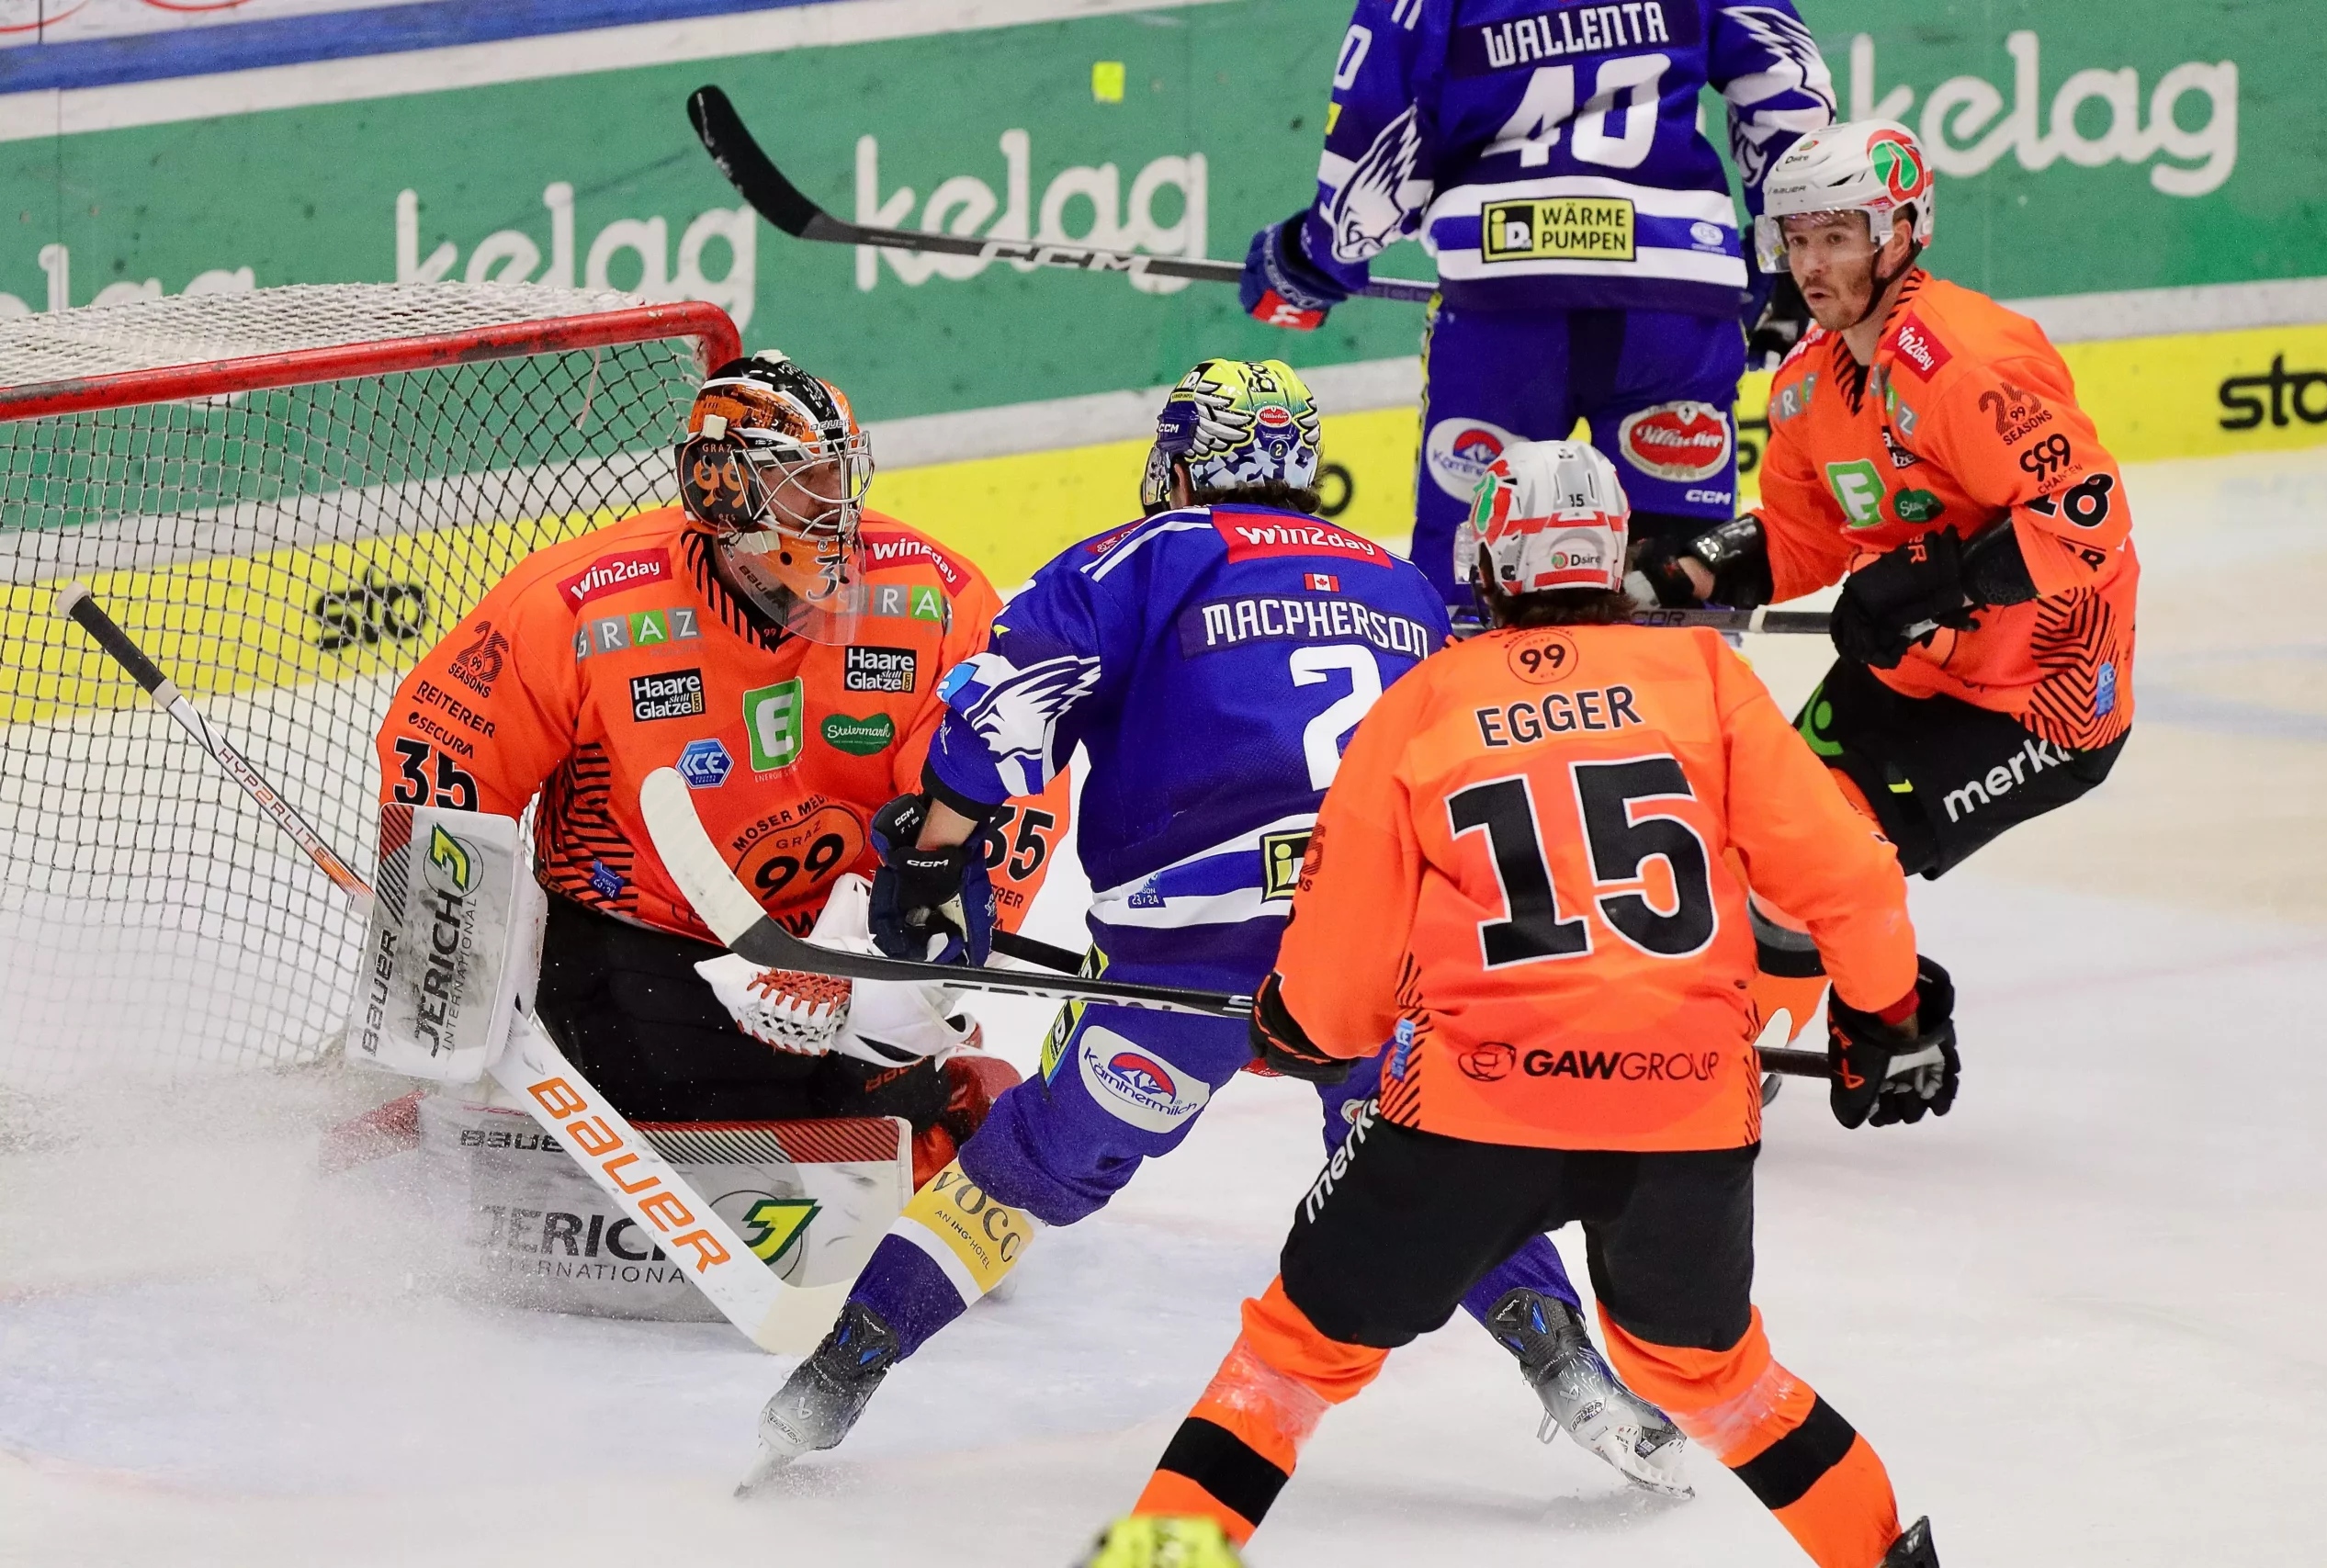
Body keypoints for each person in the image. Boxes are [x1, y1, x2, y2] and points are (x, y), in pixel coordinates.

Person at [741, 365, 1689, 1495]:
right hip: (1385, 940)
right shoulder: (1402, 582)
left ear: (1186, 457)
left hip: (1191, 939)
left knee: (1041, 1159)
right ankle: (1576, 1379)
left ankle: (839, 1373)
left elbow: (1002, 717)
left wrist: (936, 853)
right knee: (1434, 1162)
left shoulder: (1136, 556)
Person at [1094, 436, 1956, 1568]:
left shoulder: (1424, 703)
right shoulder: (1703, 677)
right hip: (1686, 1113)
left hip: (1471, 1115)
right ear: (1610, 558)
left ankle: (1159, 1563)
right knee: (1711, 1374)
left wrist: (1298, 1026)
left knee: (1294, 1357)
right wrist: (1887, 1019)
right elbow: (1847, 883)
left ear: (1491, 561)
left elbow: (1340, 982)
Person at [373, 351, 1060, 1176]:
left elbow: (1016, 773)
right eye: (805, 483)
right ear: (725, 490)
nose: (837, 511)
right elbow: (445, 746)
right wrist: (461, 930)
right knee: (713, 1130)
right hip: (644, 942)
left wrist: (909, 952)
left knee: (874, 1127)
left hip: (842, 937)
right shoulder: (588, 603)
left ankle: (892, 1078)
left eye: (842, 478)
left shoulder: (931, 595)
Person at [1627, 119, 2135, 1045]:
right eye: (1799, 239)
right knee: (1748, 834)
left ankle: (1785, 1052)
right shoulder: (1808, 384)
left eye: (1838, 237)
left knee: (1807, 872)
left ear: (1899, 234)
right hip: (1906, 666)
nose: (1813, 264)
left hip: (2034, 704)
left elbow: (2087, 519)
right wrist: (1694, 567)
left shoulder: (1966, 361)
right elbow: (1801, 533)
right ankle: (1736, 1047)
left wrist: (1928, 585)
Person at [1237, 0, 1834, 623]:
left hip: (1503, 307)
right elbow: (1784, 77)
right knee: (1674, 588)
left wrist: (1310, 262)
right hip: (1674, 306)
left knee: (1471, 589)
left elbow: (1377, 136)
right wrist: (1782, 249)